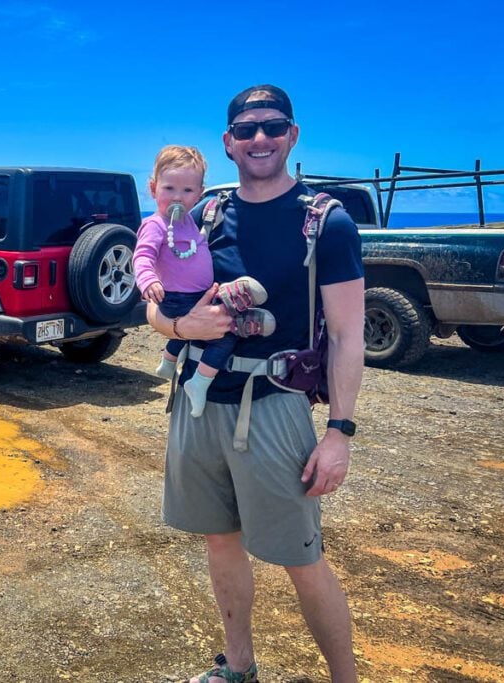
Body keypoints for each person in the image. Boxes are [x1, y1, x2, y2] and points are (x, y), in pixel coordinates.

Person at [148, 85, 364, 682]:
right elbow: (159, 300)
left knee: (304, 559)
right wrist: (174, 323)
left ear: (293, 134)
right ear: (228, 143)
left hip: (273, 407)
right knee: (220, 542)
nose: (260, 139)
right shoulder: (203, 214)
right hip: (197, 401)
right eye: (246, 130)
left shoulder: (327, 224)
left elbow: (348, 335)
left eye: (273, 127)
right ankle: (238, 668)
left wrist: (339, 432)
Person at [134, 145, 275, 417]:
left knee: (195, 329)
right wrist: (148, 279)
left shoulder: (189, 222)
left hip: (196, 293)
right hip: (176, 297)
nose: (178, 197)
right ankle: (200, 383)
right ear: (153, 189)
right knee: (223, 337)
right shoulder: (156, 225)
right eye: (169, 189)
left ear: (199, 194)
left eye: (187, 191)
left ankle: (168, 360)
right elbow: (142, 256)